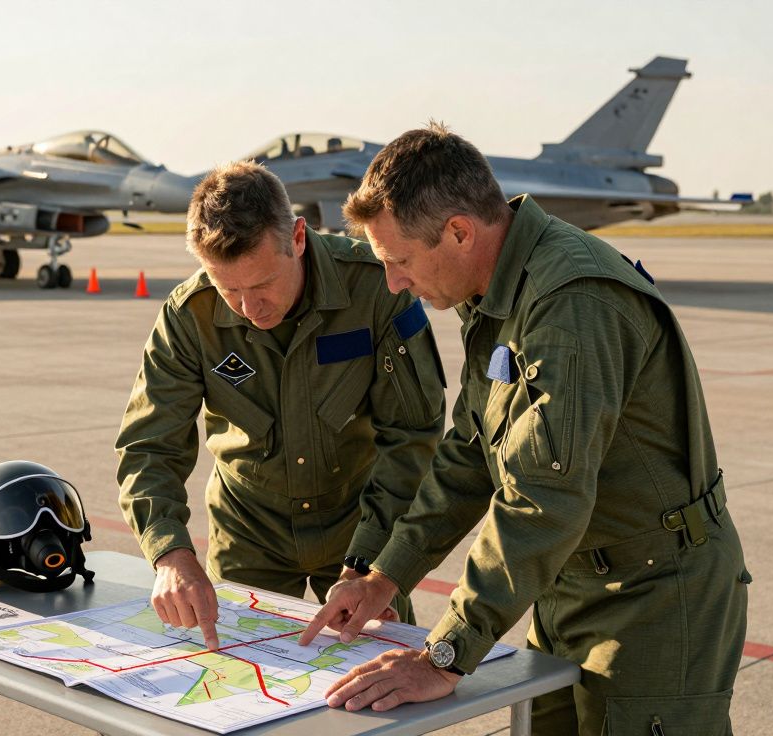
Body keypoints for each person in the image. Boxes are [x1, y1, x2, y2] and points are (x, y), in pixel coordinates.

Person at [299, 124, 749, 734]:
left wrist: (446, 653)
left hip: (651, 599)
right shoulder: (498, 291)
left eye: (399, 261)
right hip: (570, 584)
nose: (394, 283)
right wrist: (387, 576)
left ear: (459, 231)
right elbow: (469, 454)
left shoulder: (571, 304)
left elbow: (542, 501)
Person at [116, 161, 446, 649]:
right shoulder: (190, 316)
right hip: (249, 536)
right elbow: (149, 447)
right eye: (230, 289)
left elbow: (412, 436)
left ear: (297, 238)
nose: (250, 308)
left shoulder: (377, 289)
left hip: (360, 529)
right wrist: (170, 554)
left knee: (378, 688)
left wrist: (373, 567)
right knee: (238, 689)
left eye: (263, 284)